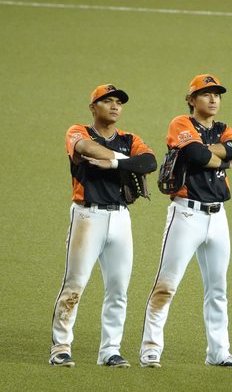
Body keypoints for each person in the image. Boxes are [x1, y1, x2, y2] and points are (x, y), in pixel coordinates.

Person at [140, 74, 232, 368]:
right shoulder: (181, 123)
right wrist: (221, 158)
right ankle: (150, 348)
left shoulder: (223, 128)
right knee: (166, 284)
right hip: (186, 215)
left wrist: (209, 153)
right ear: (191, 99)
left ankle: (219, 352)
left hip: (218, 217)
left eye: (217, 95)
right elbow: (196, 153)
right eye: (206, 94)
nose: (213, 99)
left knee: (218, 289)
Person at [50, 84, 157, 368]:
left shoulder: (129, 139)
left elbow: (149, 162)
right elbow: (86, 148)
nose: (114, 106)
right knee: (74, 285)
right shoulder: (79, 131)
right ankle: (61, 347)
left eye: (118, 102)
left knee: (118, 288)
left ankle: (110, 350)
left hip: (121, 219)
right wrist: (126, 162)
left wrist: (113, 164)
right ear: (92, 107)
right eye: (107, 101)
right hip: (87, 217)